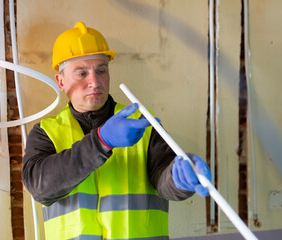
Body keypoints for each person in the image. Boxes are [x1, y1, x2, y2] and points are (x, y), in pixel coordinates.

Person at [22, 21, 211, 240]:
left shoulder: (142, 121)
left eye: (101, 70)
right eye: (82, 74)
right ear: (61, 81)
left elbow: (163, 180)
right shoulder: (46, 132)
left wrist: (181, 180)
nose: (95, 82)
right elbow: (39, 188)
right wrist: (101, 141)